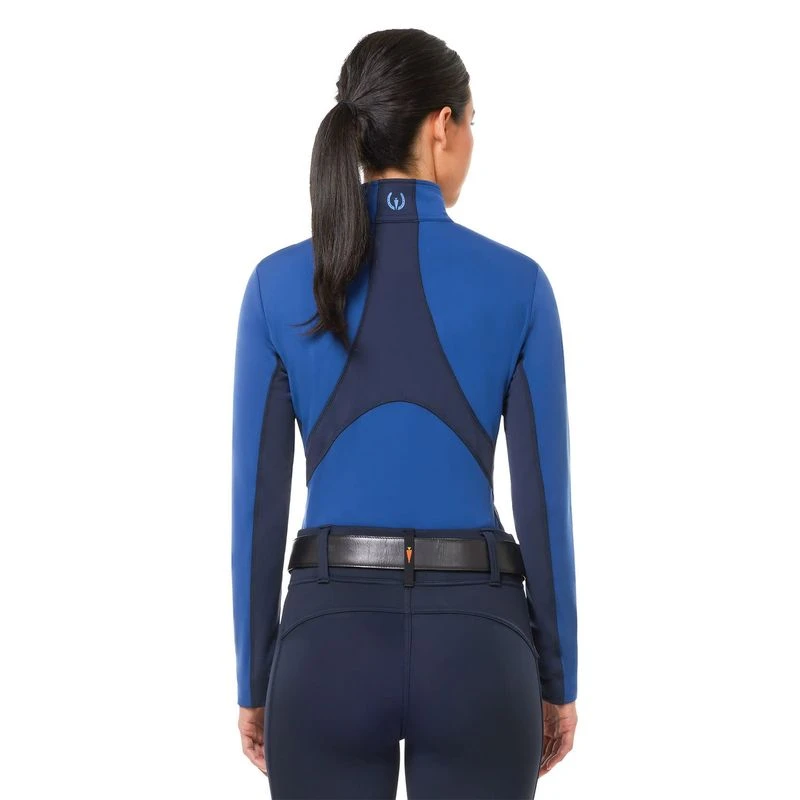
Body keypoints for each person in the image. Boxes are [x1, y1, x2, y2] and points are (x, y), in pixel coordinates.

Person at [231, 27, 578, 799]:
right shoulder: (520, 285)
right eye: (472, 122)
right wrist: (559, 680)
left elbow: (257, 509)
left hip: (325, 648)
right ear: (441, 125)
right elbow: (544, 508)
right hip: (480, 650)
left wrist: (256, 681)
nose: (471, 141)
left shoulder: (276, 285)